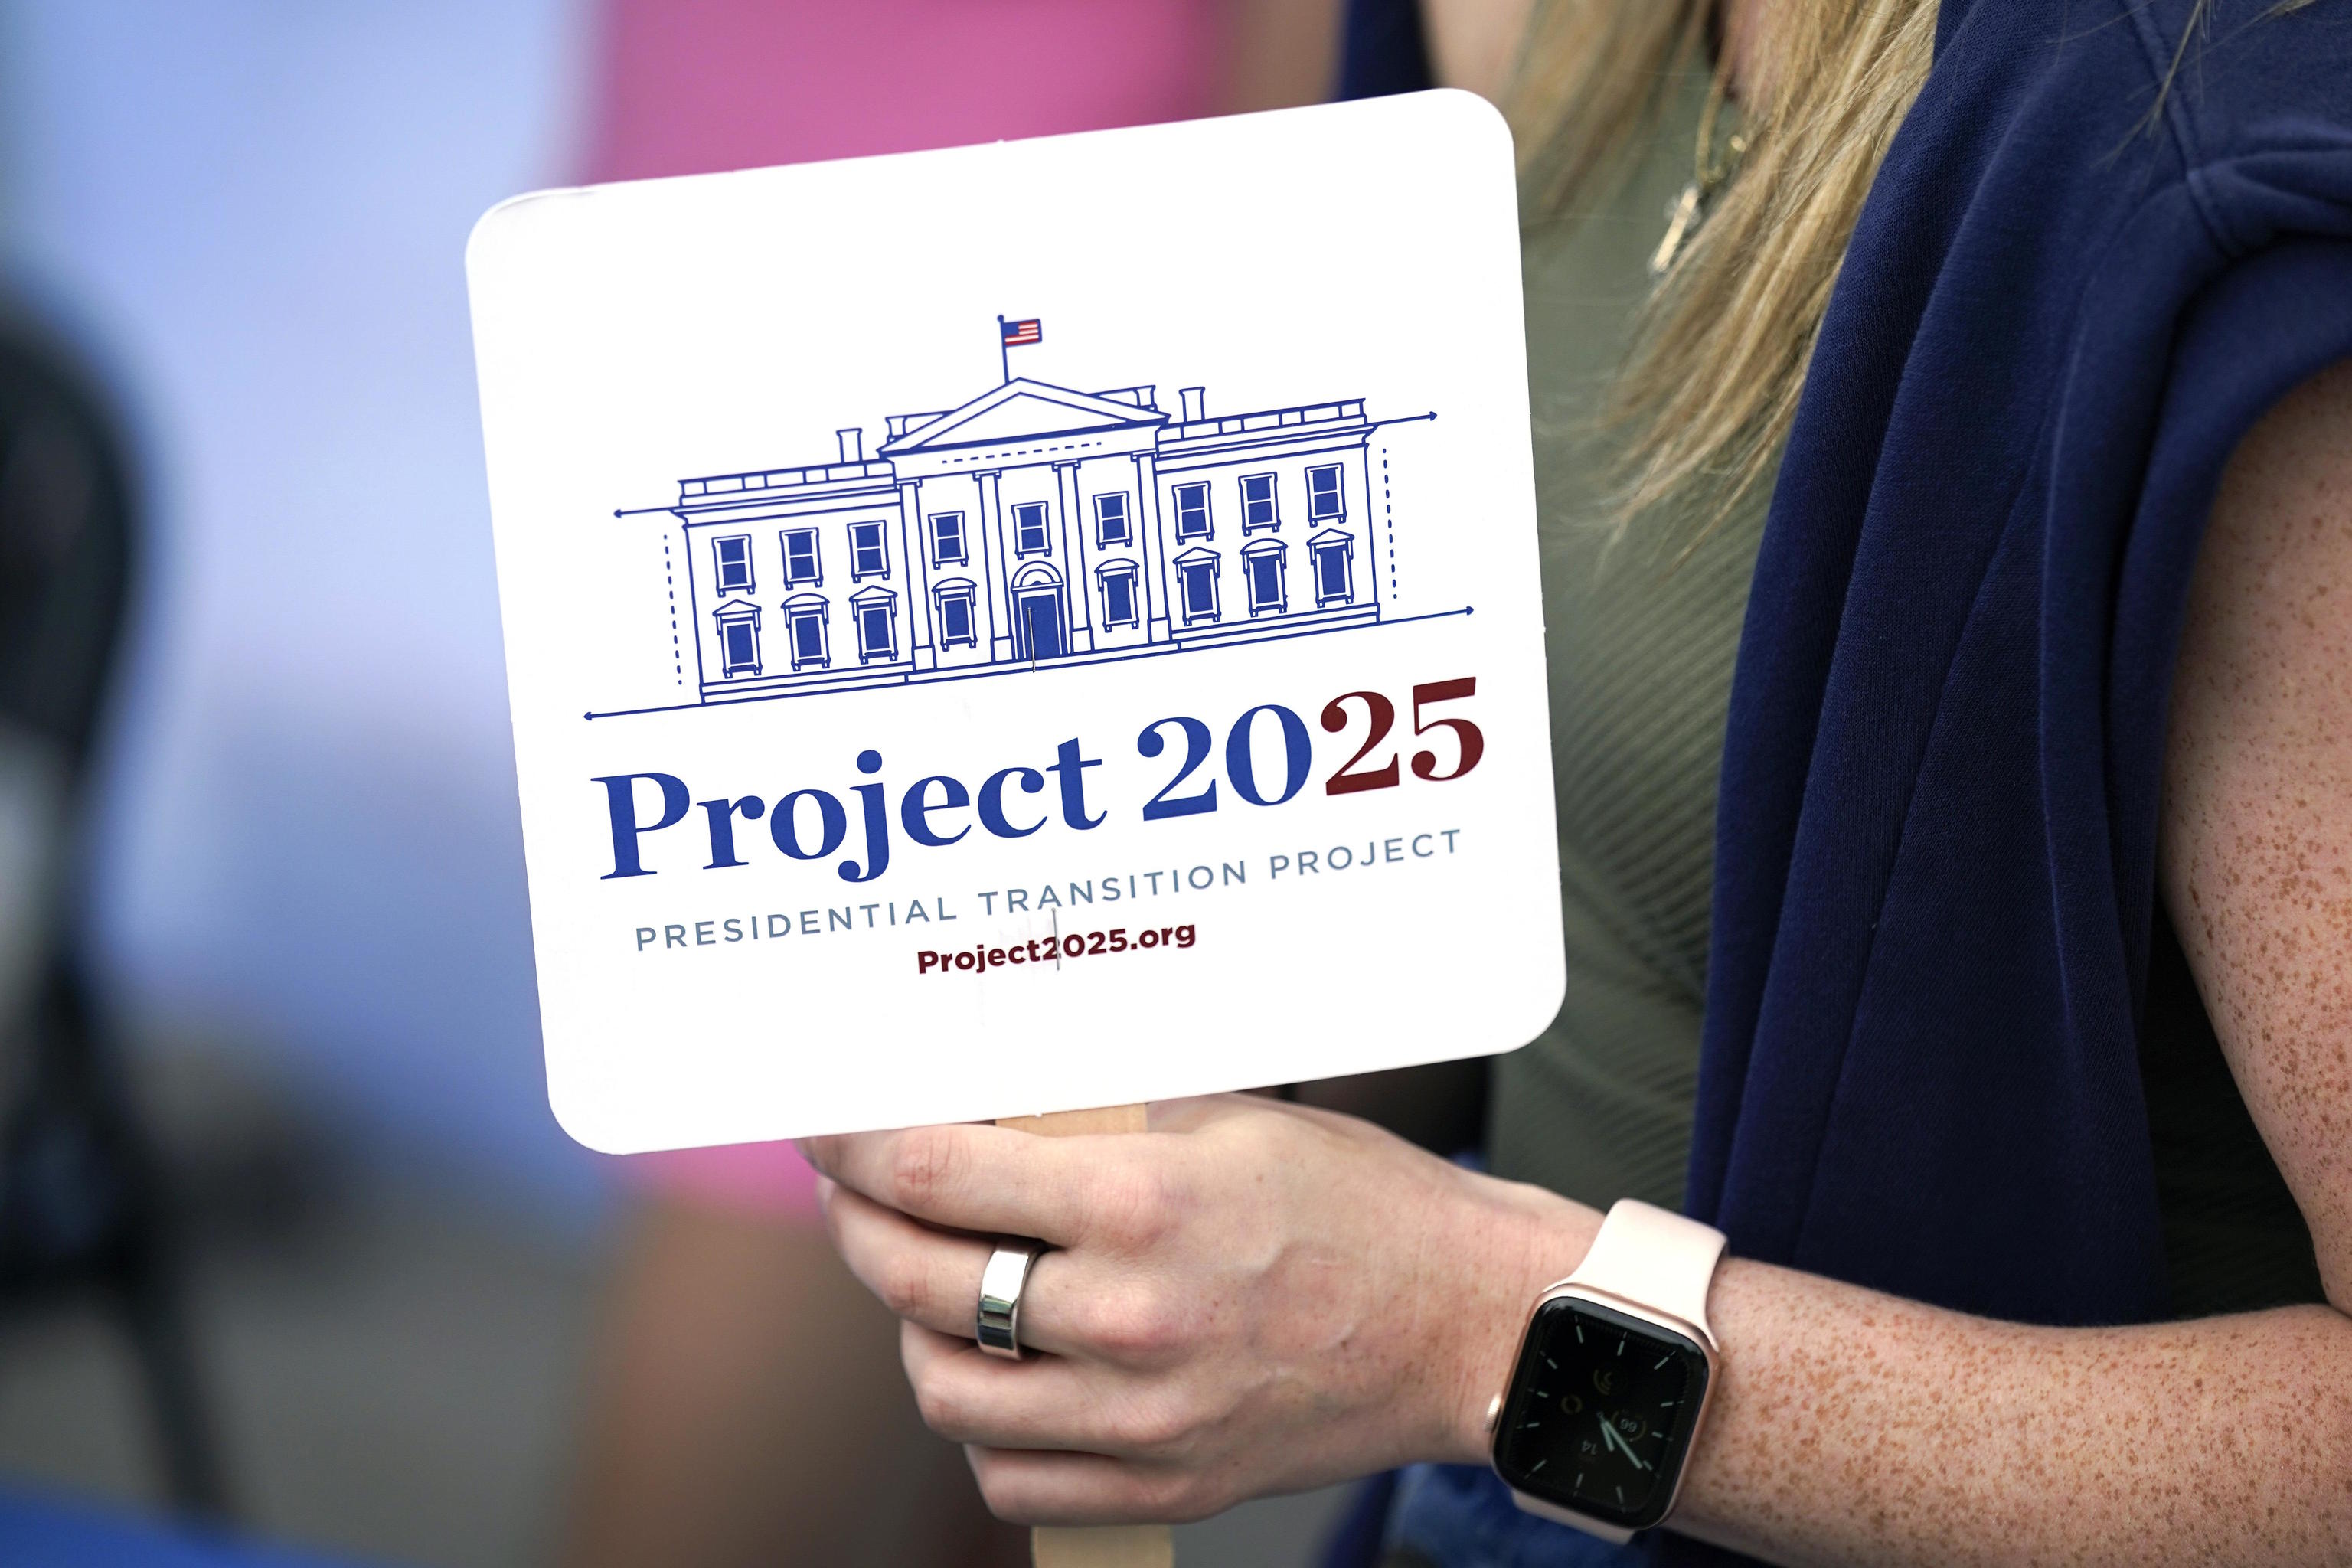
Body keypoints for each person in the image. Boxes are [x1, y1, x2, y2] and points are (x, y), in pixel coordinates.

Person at [799, 0, 2352, 1563]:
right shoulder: (1551, 37)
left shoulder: (2219, 166)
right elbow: (1572, 940)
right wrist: (1164, 1089)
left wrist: (1485, 1335)